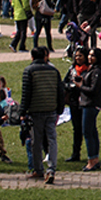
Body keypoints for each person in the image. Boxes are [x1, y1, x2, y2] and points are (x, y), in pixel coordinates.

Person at [21, 46, 64, 184]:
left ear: (32, 57)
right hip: (51, 109)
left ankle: (38, 169)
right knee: (51, 139)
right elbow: (60, 90)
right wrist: (60, 108)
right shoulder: (54, 71)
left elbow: (26, 93)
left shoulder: (29, 71)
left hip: (36, 110)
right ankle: (51, 169)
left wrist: (22, 111)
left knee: (36, 141)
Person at [79, 48, 101, 172]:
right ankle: (95, 159)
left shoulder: (97, 71)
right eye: (89, 55)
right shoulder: (94, 69)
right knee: (92, 132)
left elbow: (94, 89)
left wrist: (80, 86)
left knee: (88, 132)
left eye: (93, 56)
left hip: (91, 104)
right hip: (90, 104)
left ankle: (91, 160)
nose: (90, 58)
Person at [62, 49, 87, 163]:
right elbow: (64, 83)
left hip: (86, 102)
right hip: (73, 102)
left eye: (80, 56)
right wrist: (71, 86)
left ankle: (92, 154)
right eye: (76, 56)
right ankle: (75, 153)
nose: (78, 58)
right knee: (76, 128)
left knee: (86, 129)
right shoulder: (72, 69)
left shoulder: (89, 70)